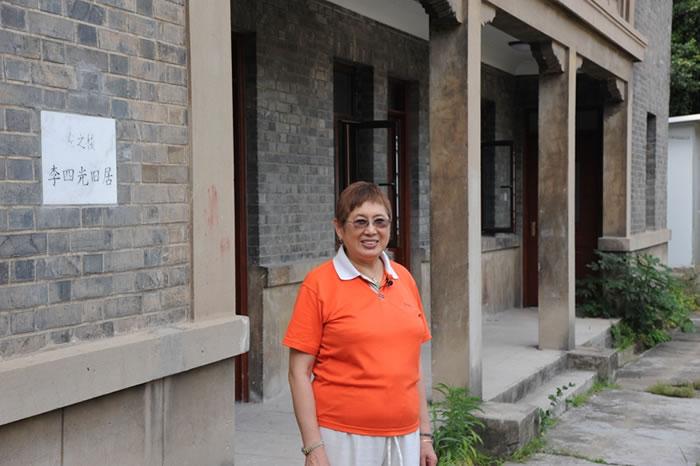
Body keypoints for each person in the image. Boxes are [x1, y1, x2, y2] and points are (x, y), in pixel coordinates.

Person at [284, 181, 438, 466]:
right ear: (339, 229)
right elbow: (298, 373)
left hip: (405, 436)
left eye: (380, 221)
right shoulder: (319, 284)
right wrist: (312, 446)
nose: (371, 230)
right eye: (360, 222)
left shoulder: (404, 279)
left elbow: (413, 366)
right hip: (344, 438)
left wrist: (425, 436)